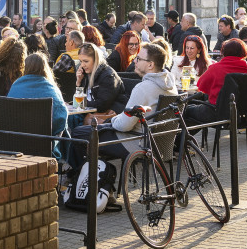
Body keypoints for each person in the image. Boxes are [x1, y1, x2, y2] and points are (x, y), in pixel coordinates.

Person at [69, 43, 176, 172]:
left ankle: (91, 178)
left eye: (139, 59)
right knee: (87, 129)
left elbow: (123, 126)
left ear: (150, 64)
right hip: (160, 143)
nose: (134, 61)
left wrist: (111, 120)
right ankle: (93, 175)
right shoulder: (172, 86)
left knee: (78, 133)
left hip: (135, 142)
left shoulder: (143, 88)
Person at [183, 38, 247, 126]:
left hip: (215, 112)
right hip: (240, 113)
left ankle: (181, 138)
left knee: (185, 110)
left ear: (223, 52)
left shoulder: (215, 68)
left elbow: (201, 87)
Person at [6, 53, 68, 137]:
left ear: (25, 67)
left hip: (16, 141)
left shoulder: (16, 85)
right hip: (44, 143)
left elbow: (7, 112)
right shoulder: (52, 88)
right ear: (45, 68)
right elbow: (61, 117)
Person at [75, 43, 127, 114]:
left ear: (96, 60)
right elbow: (78, 99)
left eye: (86, 61)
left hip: (108, 114)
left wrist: (79, 104)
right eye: (81, 61)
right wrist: (78, 82)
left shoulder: (108, 76)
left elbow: (102, 105)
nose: (82, 65)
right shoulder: (85, 73)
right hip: (88, 111)